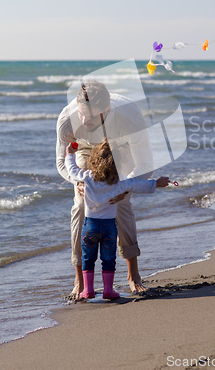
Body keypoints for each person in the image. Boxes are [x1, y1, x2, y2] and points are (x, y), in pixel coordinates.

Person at [56, 80, 154, 298]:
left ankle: (133, 275)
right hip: (84, 148)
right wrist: (78, 182)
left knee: (120, 202)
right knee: (82, 203)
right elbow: (62, 163)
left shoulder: (129, 118)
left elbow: (146, 165)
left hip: (119, 147)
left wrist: (124, 190)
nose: (85, 120)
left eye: (92, 116)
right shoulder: (68, 121)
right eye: (82, 114)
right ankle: (79, 279)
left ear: (107, 110)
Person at [65, 139, 170, 300]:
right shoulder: (119, 184)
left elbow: (72, 170)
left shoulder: (85, 178)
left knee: (88, 258)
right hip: (109, 229)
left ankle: (87, 290)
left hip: (90, 227)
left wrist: (69, 154)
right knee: (108, 260)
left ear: (92, 162)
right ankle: (108, 290)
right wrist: (157, 183)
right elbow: (138, 185)